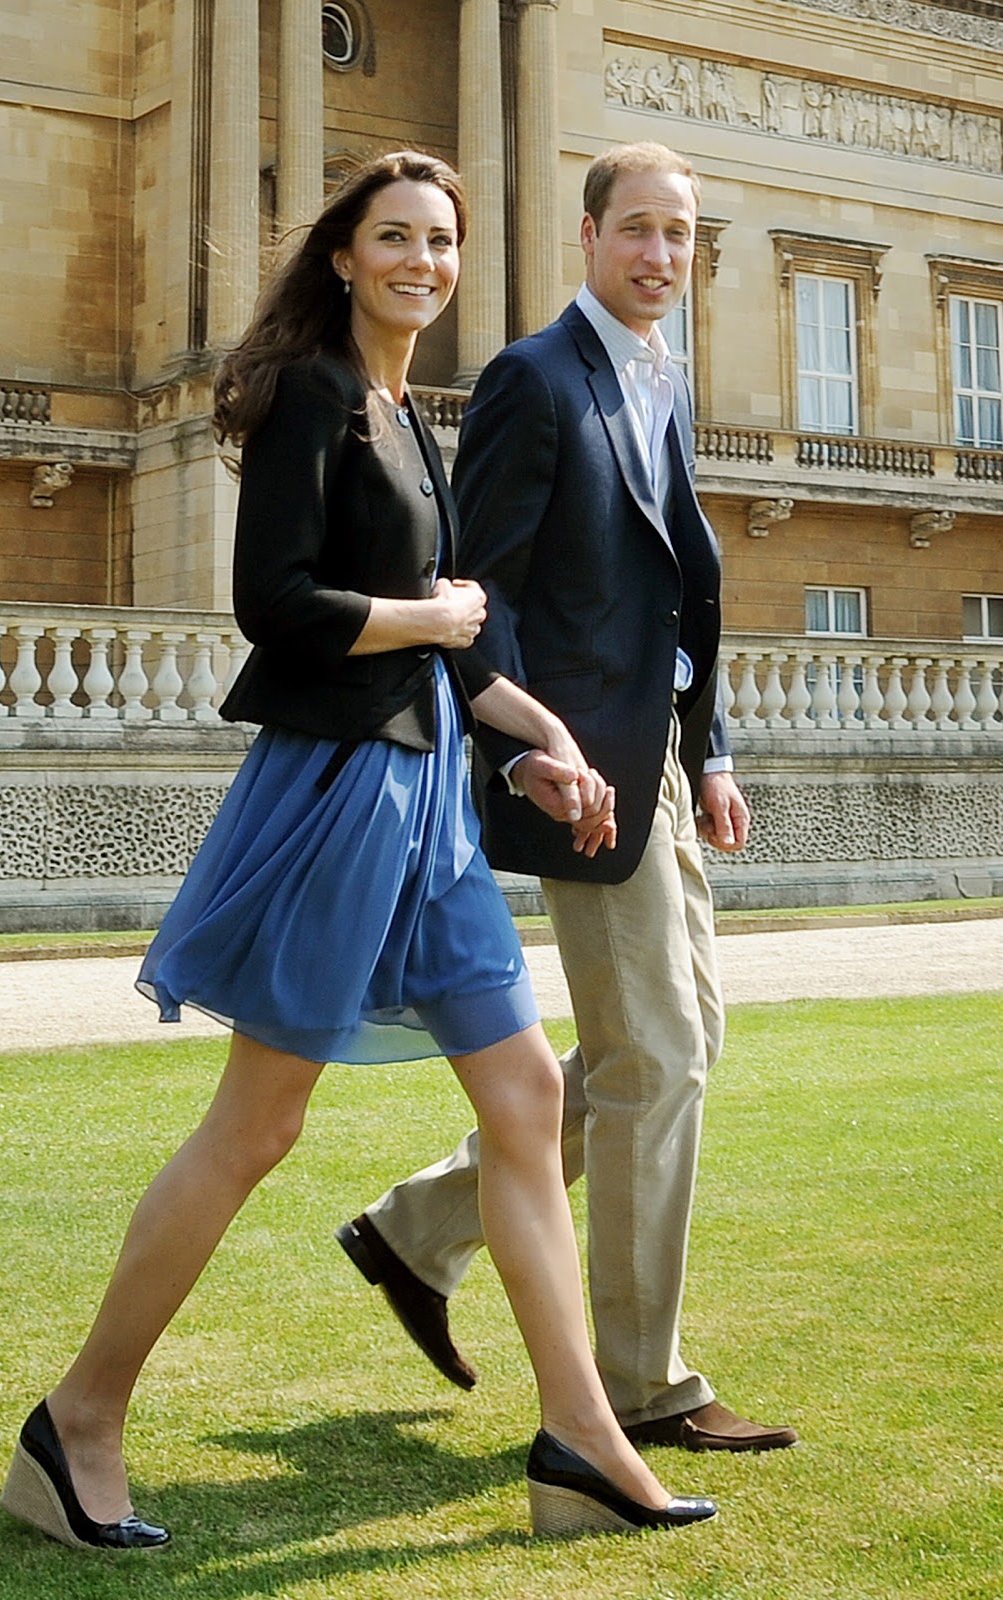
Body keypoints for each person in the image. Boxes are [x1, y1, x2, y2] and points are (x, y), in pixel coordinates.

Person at [0, 150, 717, 1552]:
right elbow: (276, 604)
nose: (424, 263)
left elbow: (452, 640)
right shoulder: (317, 395)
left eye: (442, 243)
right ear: (344, 255)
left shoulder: (408, 411)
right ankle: (77, 1419)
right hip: (339, 794)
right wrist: (438, 628)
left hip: (436, 793)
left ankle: (582, 1438)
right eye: (397, 239)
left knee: (522, 1100)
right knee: (258, 1124)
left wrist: (540, 742)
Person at [339, 141, 798, 1455]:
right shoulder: (536, 380)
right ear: (589, 240)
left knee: (670, 1046)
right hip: (581, 769)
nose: (663, 255)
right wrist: (536, 744)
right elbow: (485, 598)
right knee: (657, 1061)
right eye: (640, 230)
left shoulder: (662, 379)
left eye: (683, 235)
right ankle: (643, 1388)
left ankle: (415, 1230)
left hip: (656, 757)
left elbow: (678, 589)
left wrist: (708, 751)